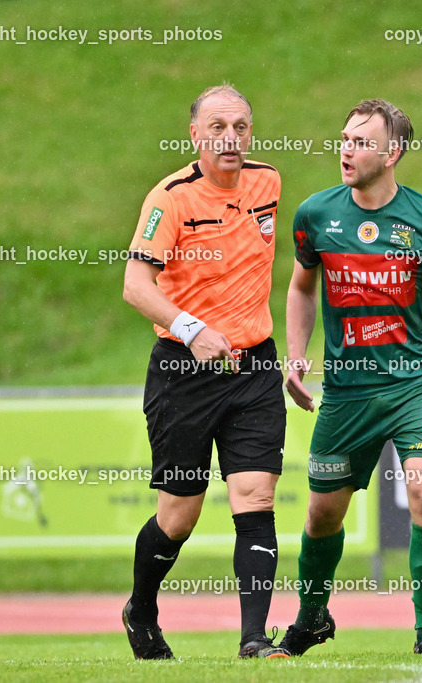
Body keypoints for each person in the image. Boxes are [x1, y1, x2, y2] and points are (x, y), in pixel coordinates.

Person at [276, 98, 422, 658]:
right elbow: (300, 288)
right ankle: (311, 619)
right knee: (322, 513)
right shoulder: (315, 214)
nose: (346, 149)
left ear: (392, 155)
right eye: (344, 138)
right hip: (347, 391)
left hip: (417, 382)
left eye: (361, 142)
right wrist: (296, 358)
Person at [121, 84, 288, 659]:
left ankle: (254, 640)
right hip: (183, 371)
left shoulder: (268, 182)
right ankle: (141, 610)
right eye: (217, 127)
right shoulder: (170, 198)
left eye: (240, 127)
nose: (230, 138)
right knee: (179, 514)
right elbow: (135, 286)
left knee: (256, 496)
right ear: (195, 134)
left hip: (254, 365)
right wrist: (193, 330)